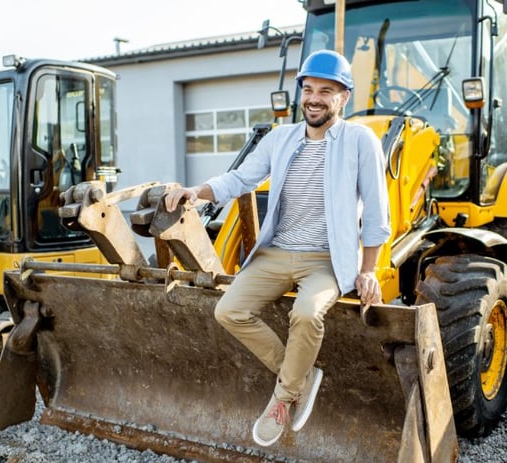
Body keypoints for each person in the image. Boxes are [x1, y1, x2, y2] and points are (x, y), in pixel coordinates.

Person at [165, 50, 391, 447]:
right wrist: (196, 192)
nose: (315, 98)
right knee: (229, 310)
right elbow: (241, 178)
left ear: (343, 97)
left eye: (326, 90)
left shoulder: (360, 140)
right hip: (276, 252)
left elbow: (376, 209)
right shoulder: (281, 138)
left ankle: (284, 398)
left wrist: (368, 269)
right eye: (308, 89)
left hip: (326, 259)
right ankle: (301, 376)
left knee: (306, 314)